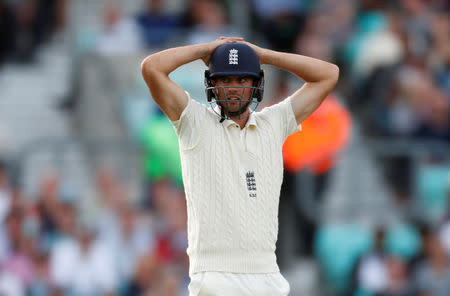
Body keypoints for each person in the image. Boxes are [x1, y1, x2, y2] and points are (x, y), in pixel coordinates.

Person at [141, 37, 338, 295]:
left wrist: (264, 55)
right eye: (224, 80)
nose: (233, 88)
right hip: (214, 278)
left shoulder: (274, 123)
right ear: (212, 84)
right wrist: (205, 50)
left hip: (268, 277)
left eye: (242, 80)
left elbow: (328, 74)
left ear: (257, 84)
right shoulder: (193, 121)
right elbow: (151, 68)